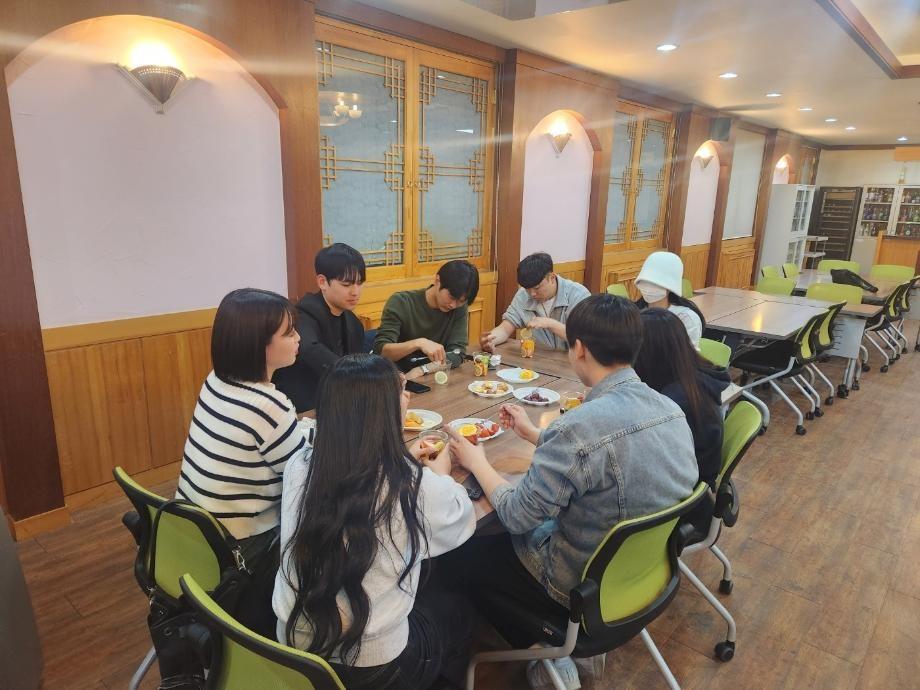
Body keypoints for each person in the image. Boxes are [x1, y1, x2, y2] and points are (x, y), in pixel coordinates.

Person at [441, 294, 698, 688]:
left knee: (463, 551)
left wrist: (477, 463)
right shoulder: (670, 410)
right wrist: (535, 434)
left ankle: (545, 649)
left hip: (575, 588)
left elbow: (517, 516)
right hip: (646, 576)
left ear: (579, 349)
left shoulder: (578, 427)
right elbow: (601, 452)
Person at [274, 354, 476, 689]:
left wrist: (408, 463)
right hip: (372, 667)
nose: (407, 396)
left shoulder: (300, 465)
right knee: (459, 611)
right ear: (382, 411)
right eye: (400, 392)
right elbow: (461, 517)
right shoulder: (411, 485)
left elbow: (357, 482)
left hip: (292, 653)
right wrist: (440, 474)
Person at [176, 287, 308, 635]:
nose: (298, 338)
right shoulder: (268, 406)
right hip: (242, 549)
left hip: (191, 534)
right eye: (289, 333)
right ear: (259, 345)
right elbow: (306, 478)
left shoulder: (216, 382)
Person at [633, 309, 729, 487]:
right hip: (695, 473)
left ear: (647, 352)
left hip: (685, 488)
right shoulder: (691, 376)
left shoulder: (674, 402)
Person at [273, 243, 366, 412]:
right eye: (346, 284)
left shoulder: (353, 322)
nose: (355, 292)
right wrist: (357, 374)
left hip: (339, 403)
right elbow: (309, 349)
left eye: (359, 283)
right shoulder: (302, 314)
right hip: (303, 407)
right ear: (322, 282)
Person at [373, 259, 479, 376]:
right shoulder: (401, 302)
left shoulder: (459, 308)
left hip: (430, 376)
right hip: (396, 377)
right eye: (452, 297)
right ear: (437, 280)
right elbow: (382, 352)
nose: (453, 305)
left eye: (461, 301)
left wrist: (424, 369)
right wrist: (418, 343)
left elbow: (457, 353)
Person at [480, 252, 590, 352]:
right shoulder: (523, 295)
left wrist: (550, 324)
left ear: (552, 278)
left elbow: (584, 340)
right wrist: (490, 340)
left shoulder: (578, 295)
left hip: (574, 362)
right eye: (527, 289)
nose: (532, 294)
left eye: (537, 288)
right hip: (538, 361)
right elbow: (505, 328)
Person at [634, 251, 706, 348]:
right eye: (644, 282)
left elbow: (687, 354)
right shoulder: (634, 313)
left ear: (671, 286)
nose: (648, 287)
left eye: (654, 283)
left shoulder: (686, 318)